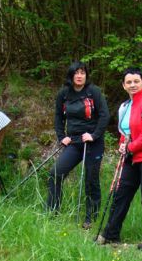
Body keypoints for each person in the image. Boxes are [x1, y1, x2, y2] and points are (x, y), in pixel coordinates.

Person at [97, 67, 142, 250]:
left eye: (136, 81)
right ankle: (111, 234)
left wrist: (131, 147)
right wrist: (122, 144)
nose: (133, 84)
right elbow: (124, 131)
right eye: (129, 82)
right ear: (123, 85)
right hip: (131, 157)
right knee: (121, 195)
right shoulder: (125, 106)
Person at [47, 61, 110, 228]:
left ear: (86, 75)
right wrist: (62, 136)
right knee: (55, 174)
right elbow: (58, 116)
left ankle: (91, 217)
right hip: (74, 142)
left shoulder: (93, 92)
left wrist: (94, 135)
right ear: (71, 75)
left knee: (91, 179)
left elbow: (104, 116)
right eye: (77, 73)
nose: (80, 76)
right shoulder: (64, 94)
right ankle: (52, 212)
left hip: (93, 142)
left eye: (82, 73)